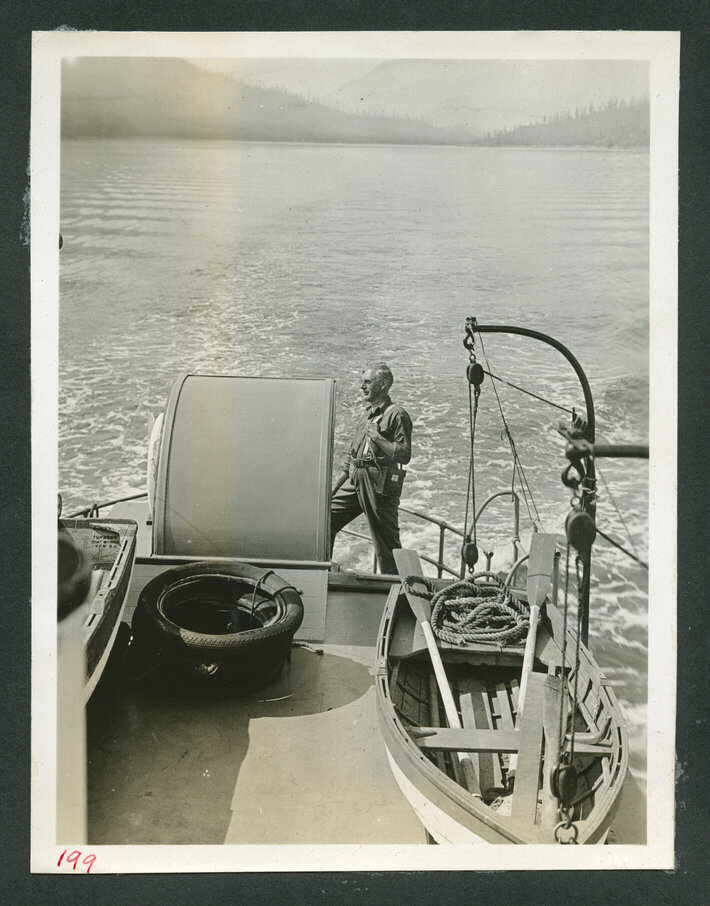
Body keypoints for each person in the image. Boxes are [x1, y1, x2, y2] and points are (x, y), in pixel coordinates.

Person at [330, 363, 412, 575]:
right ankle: (323, 572)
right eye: (362, 382)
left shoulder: (397, 414)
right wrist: (333, 490)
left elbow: (404, 454)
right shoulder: (367, 415)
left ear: (383, 384)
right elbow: (351, 457)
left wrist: (377, 437)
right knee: (327, 519)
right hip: (355, 477)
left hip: (378, 481)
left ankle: (394, 589)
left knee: (385, 542)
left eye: (367, 382)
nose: (362, 387)